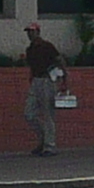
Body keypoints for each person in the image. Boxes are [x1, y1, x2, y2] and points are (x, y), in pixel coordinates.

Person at [22, 22, 65, 156]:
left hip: (47, 80)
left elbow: (59, 60)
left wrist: (64, 78)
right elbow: (32, 67)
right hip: (36, 81)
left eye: (32, 31)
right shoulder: (29, 49)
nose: (30, 34)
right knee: (29, 113)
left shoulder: (47, 46)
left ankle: (49, 146)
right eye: (28, 32)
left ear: (38, 32)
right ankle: (43, 140)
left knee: (48, 114)